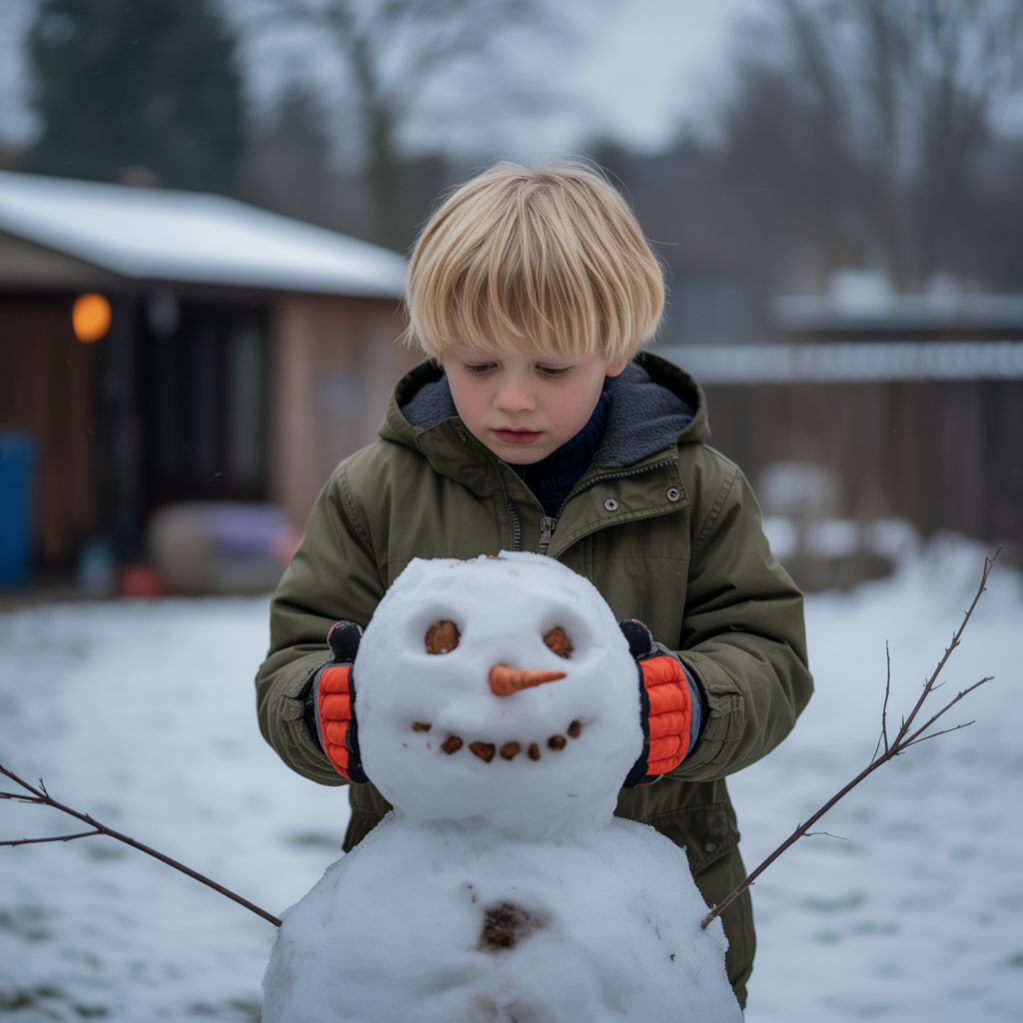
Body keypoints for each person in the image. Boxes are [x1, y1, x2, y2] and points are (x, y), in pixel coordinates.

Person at [256, 162, 812, 1008]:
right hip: (425, 933)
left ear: (615, 347)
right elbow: (294, 654)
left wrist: (686, 706)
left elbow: (768, 650)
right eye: (478, 365)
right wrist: (320, 710)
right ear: (438, 343)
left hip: (642, 932)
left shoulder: (697, 492)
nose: (511, 399)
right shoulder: (373, 492)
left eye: (551, 368)